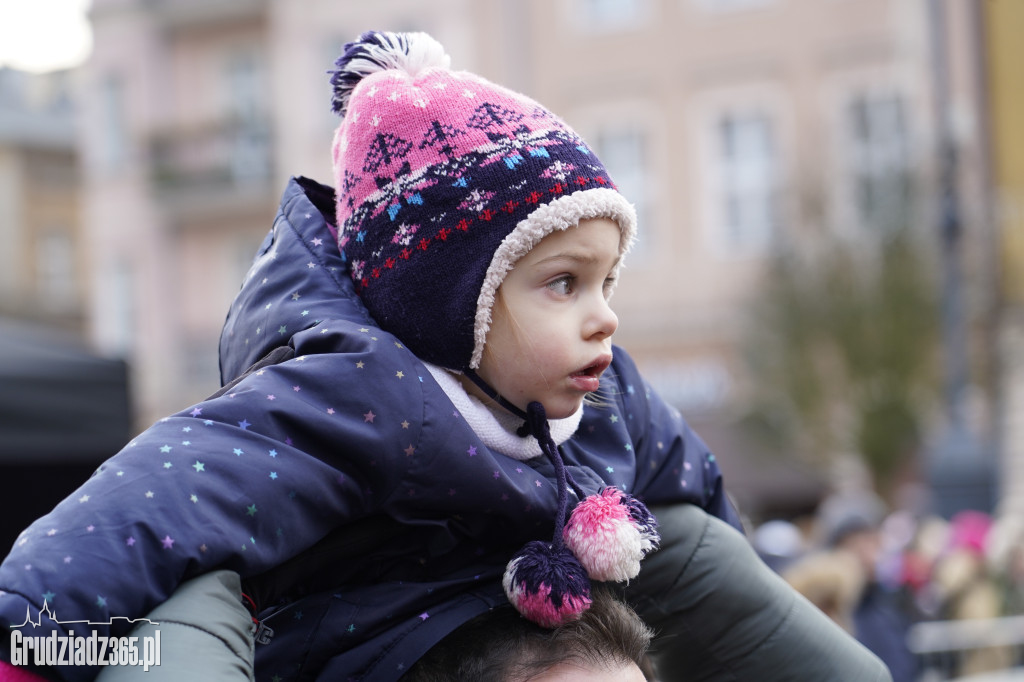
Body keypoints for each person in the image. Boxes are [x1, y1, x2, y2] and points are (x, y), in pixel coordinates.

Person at [0, 31, 891, 681]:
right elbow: (137, 515)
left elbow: (693, 491)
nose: (603, 319)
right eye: (562, 284)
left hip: (520, 607)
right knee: (186, 609)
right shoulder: (346, 396)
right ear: (451, 303)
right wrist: (30, 640)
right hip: (353, 633)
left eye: (607, 282)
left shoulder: (602, 389)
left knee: (689, 536)